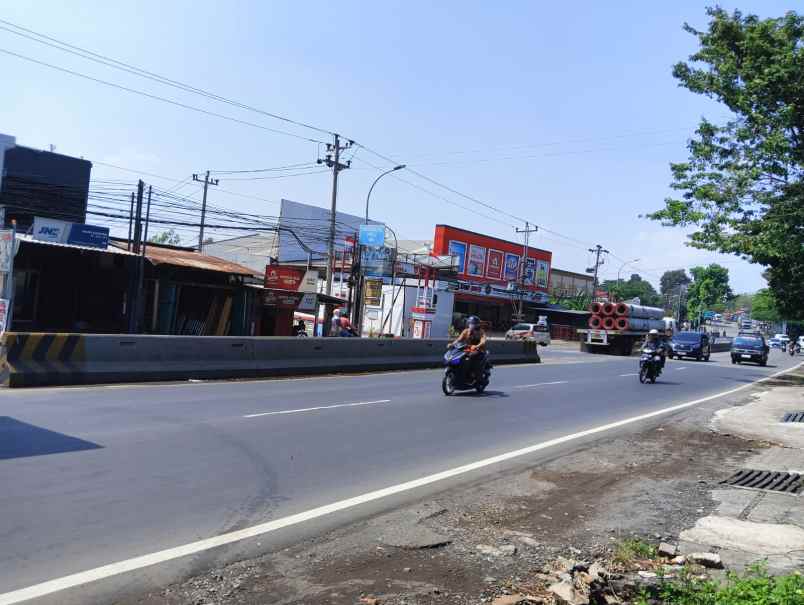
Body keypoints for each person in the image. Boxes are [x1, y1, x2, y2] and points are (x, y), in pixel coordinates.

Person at [450, 316, 487, 381]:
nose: (471, 325)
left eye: (473, 324)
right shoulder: (466, 331)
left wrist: (477, 346)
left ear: (477, 324)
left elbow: (483, 341)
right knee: (460, 356)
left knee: (470, 358)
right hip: (468, 349)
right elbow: (459, 339)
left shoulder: (481, 332)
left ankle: (473, 374)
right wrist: (452, 344)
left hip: (479, 350)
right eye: (470, 323)